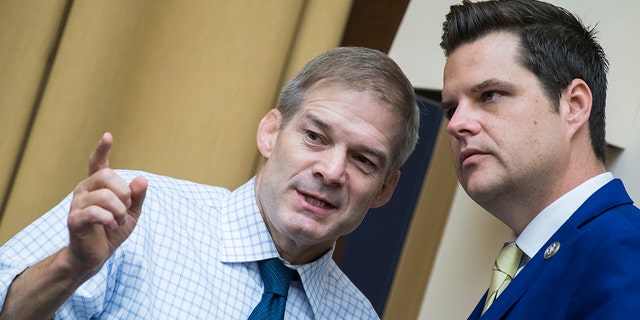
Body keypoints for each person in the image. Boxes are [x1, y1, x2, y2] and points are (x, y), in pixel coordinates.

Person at [0, 46, 420, 319]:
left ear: (385, 189)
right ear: (270, 133)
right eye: (315, 136)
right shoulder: (132, 215)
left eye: (363, 160)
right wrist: (70, 268)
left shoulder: (357, 315)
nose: (330, 171)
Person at [438, 0, 640, 318]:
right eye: (451, 108)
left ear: (573, 106)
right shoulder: (529, 262)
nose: (456, 124)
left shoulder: (625, 252)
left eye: (489, 95)